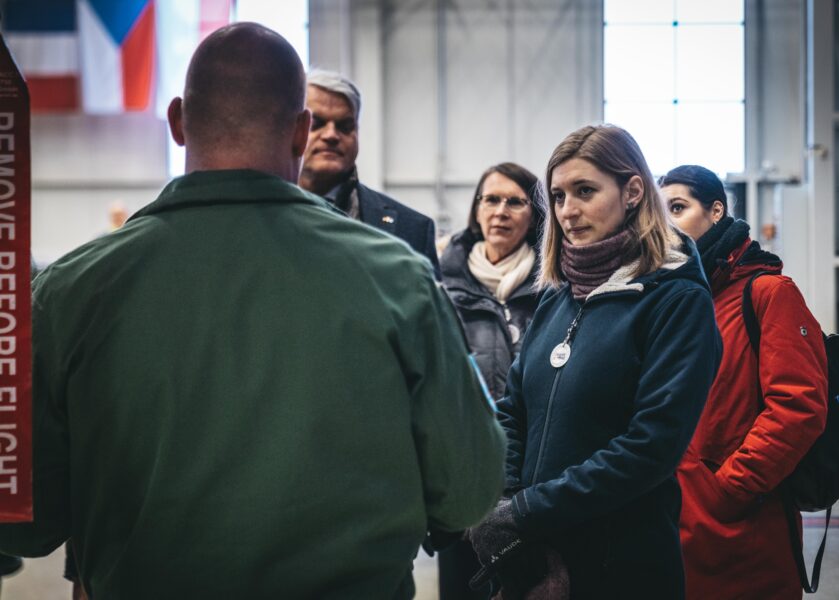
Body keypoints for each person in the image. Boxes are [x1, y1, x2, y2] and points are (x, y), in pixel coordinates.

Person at [0, 23, 506, 599]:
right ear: (300, 132)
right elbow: (469, 490)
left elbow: (27, 527)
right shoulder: (397, 278)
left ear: (176, 121)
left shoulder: (72, 290)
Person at [468, 125, 722, 599]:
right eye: (559, 195)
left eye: (585, 191)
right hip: (536, 559)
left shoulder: (677, 301)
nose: (568, 211)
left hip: (621, 563)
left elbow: (651, 447)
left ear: (632, 192)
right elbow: (513, 408)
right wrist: (502, 499)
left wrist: (527, 510)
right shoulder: (558, 296)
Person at [659, 164, 828, 600]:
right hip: (676, 523)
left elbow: (799, 407)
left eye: (678, 208)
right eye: (659, 214)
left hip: (742, 527)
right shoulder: (675, 298)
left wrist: (729, 490)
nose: (666, 224)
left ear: (717, 211)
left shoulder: (768, 293)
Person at [437, 162, 544, 599]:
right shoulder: (439, 282)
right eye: (491, 199)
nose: (501, 211)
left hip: (533, 480)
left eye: (515, 201)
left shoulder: (556, 284)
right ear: (476, 209)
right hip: (460, 475)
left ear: (534, 214)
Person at [299, 69, 441, 277]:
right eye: (317, 123)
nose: (331, 135)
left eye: (345, 126)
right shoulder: (255, 219)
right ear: (294, 129)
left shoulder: (412, 229)